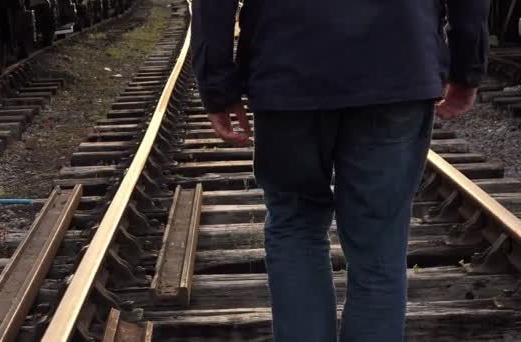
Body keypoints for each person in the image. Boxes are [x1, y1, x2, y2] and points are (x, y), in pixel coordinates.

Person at [191, 1, 489, 341]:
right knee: (379, 245)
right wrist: (468, 67)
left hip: (287, 61)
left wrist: (216, 84)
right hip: (399, 57)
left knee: (295, 225)